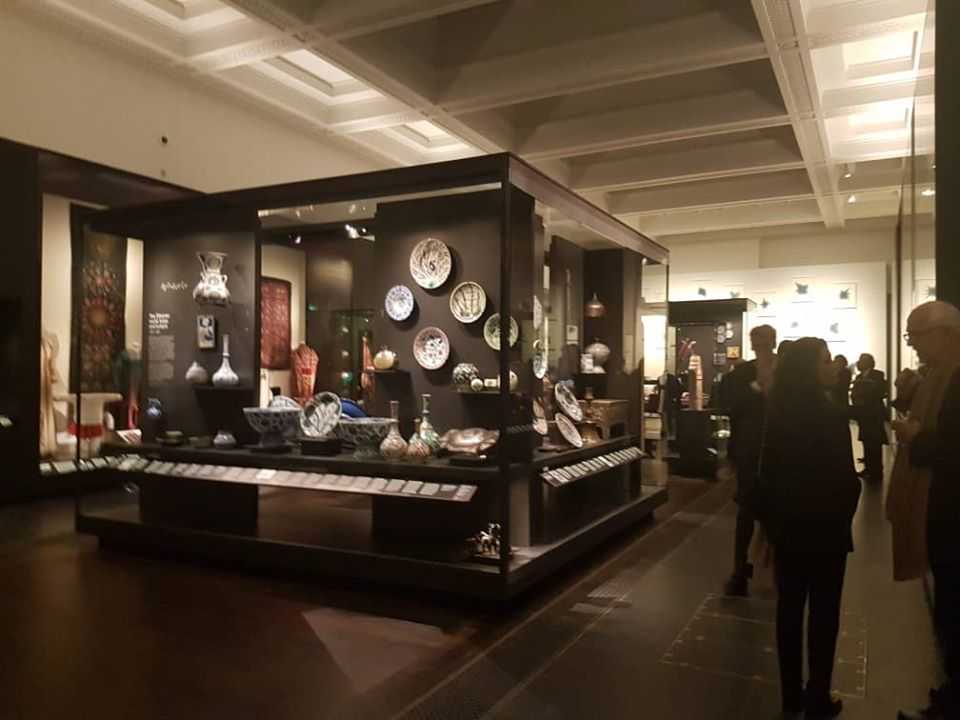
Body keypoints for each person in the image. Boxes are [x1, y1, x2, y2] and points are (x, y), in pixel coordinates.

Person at [756, 337, 861, 718]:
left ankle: (789, 697)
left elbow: (766, 474)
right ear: (809, 368)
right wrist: (843, 513)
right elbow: (845, 479)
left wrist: (772, 524)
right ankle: (817, 693)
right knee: (824, 613)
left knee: (788, 610)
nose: (832, 367)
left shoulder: (778, 411)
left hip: (788, 528)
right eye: (826, 360)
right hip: (826, 530)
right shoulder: (830, 414)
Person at [893, 301, 960, 720]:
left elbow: (953, 446)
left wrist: (916, 437)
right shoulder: (939, 376)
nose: (913, 345)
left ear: (944, 333)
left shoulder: (954, 378)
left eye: (916, 336)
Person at [721, 324, 777, 597]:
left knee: (775, 510)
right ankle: (739, 569)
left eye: (764, 339)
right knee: (746, 510)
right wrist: (756, 387)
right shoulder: (743, 374)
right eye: (756, 339)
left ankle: (771, 566)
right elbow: (733, 409)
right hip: (750, 449)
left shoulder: (785, 370)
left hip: (777, 447)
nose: (759, 344)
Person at [851, 352, 888, 480]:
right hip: (864, 414)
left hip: (874, 414)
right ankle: (868, 468)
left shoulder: (878, 375)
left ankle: (877, 471)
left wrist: (866, 392)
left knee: (875, 443)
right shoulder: (859, 376)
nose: (858, 362)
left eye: (861, 360)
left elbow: (881, 391)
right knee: (866, 441)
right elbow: (855, 393)